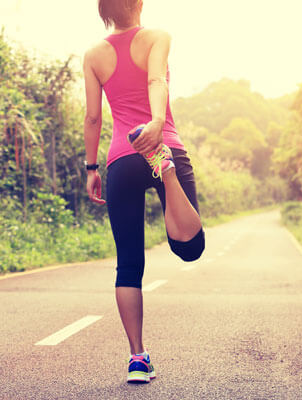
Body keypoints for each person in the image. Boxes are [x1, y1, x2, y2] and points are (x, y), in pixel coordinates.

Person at [83, 0, 205, 384]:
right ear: (138, 4)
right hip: (162, 143)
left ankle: (137, 358)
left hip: (120, 158)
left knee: (129, 264)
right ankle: (166, 174)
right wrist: (155, 125)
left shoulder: (93, 55)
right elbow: (157, 80)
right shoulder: (157, 36)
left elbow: (92, 117)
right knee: (190, 248)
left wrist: (91, 168)